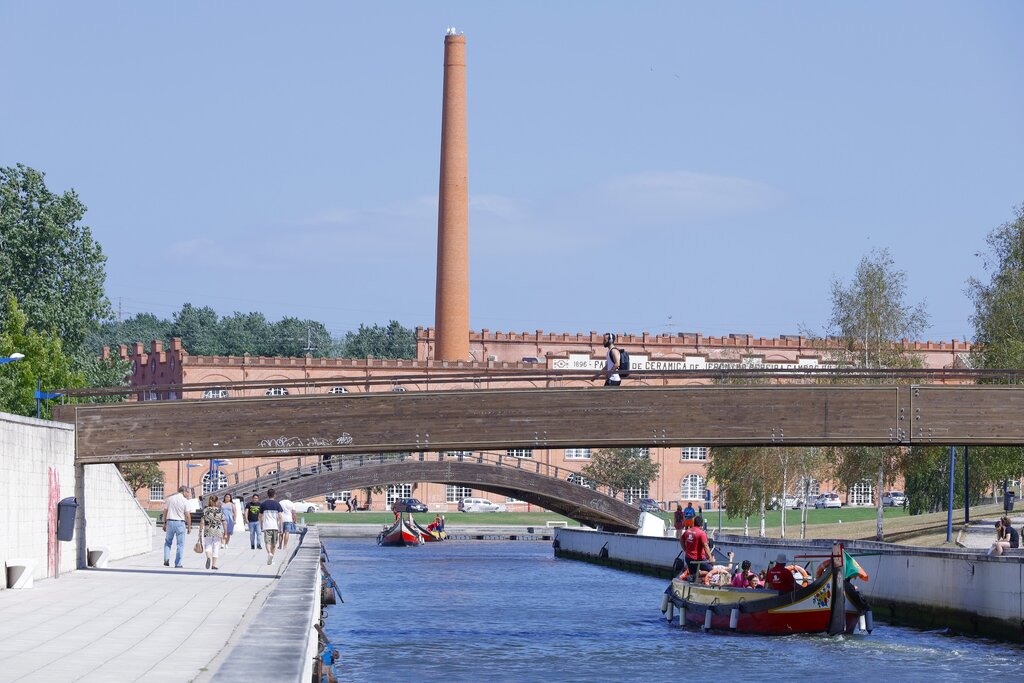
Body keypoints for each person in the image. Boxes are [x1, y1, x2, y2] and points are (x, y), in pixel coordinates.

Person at [162, 485, 192, 568]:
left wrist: (164, 523)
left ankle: (166, 558)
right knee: (180, 544)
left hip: (170, 522)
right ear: (183, 491)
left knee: (168, 542)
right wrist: (189, 527)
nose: (188, 494)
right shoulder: (185, 501)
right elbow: (188, 515)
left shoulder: (170, 499)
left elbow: (165, 511)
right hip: (180, 523)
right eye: (187, 492)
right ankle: (178, 563)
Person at [681, 515, 713, 583]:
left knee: (693, 573)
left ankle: (693, 579)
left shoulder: (688, 531)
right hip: (698, 559)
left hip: (688, 558)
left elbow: (681, 540)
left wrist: (685, 550)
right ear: (701, 524)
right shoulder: (701, 533)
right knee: (711, 570)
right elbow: (705, 545)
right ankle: (694, 577)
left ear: (694, 522)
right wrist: (710, 558)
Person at [258, 488, 285, 565]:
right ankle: (272, 558)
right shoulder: (277, 504)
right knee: (274, 544)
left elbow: (260, 516)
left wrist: (261, 525)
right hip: (275, 526)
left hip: (266, 526)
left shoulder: (263, 504)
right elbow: (280, 517)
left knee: (267, 542)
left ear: (267, 495)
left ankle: (269, 554)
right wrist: (281, 528)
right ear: (275, 495)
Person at [200, 494, 225, 570]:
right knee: (216, 547)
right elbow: (224, 522)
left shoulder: (205, 510)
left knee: (208, 545)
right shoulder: (219, 510)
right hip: (217, 530)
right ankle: (213, 565)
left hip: (208, 529)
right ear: (217, 501)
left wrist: (200, 531)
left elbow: (202, 522)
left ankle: (208, 557)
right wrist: (225, 532)